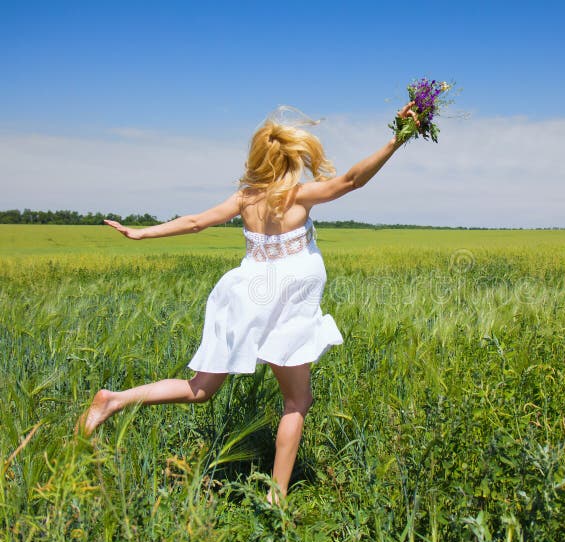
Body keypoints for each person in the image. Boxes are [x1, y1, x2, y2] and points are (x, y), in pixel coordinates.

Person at [76, 102, 420, 502]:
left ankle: (112, 400)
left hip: (243, 296)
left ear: (259, 158)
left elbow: (193, 222)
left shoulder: (245, 199)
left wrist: (140, 233)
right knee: (297, 400)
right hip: (285, 304)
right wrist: (397, 139)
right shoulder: (298, 196)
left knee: (200, 389)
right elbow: (352, 180)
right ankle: (276, 498)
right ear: (292, 158)